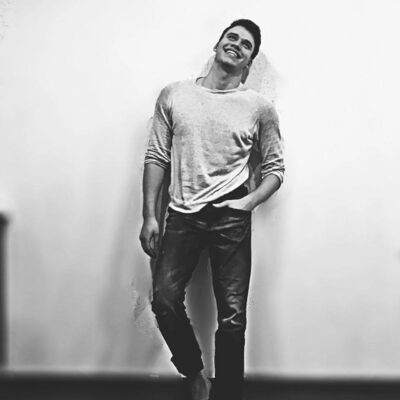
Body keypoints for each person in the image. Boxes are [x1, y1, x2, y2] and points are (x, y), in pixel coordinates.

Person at [140, 19, 285, 400]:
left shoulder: (258, 107)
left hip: (230, 216)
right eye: (231, 37)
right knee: (164, 299)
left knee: (232, 318)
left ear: (249, 62)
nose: (237, 44)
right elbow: (156, 156)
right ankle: (194, 374)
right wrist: (149, 215)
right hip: (182, 213)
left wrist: (247, 203)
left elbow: (275, 169)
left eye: (246, 45)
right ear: (217, 45)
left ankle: (229, 394)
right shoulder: (174, 95)